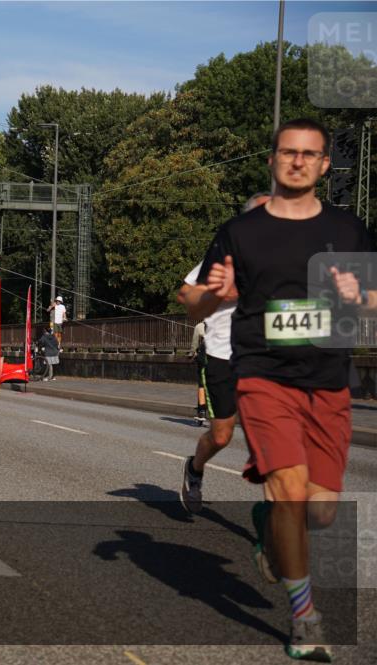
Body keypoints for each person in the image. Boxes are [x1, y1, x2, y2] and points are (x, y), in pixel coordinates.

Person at [190, 118, 375, 663]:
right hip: (263, 377)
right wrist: (212, 296)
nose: (297, 161)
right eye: (287, 152)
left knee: (320, 512)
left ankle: (269, 525)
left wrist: (356, 298)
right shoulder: (241, 232)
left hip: (327, 382)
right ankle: (305, 618)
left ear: (323, 165)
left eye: (309, 154)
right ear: (273, 159)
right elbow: (196, 302)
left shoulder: (348, 231)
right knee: (291, 492)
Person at [178, 191, 271, 513]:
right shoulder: (224, 258)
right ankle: (195, 468)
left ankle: (277, 518)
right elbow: (186, 293)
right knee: (221, 436)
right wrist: (220, 292)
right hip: (223, 356)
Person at [188, 320, 209, 425]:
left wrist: (191, 353)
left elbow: (195, 343)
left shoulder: (199, 326)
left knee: (202, 385)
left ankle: (201, 411)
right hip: (220, 360)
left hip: (204, 359)